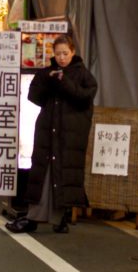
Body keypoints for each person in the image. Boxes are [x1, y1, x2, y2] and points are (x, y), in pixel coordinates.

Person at [6, 34, 97, 234]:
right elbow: (34, 96)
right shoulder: (48, 72)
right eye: (58, 54)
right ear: (53, 54)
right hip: (47, 130)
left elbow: (85, 97)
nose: (62, 57)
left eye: (65, 53)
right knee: (43, 172)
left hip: (69, 136)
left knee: (61, 175)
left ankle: (55, 218)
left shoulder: (82, 74)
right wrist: (49, 80)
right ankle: (36, 217)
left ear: (73, 52)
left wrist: (64, 83)